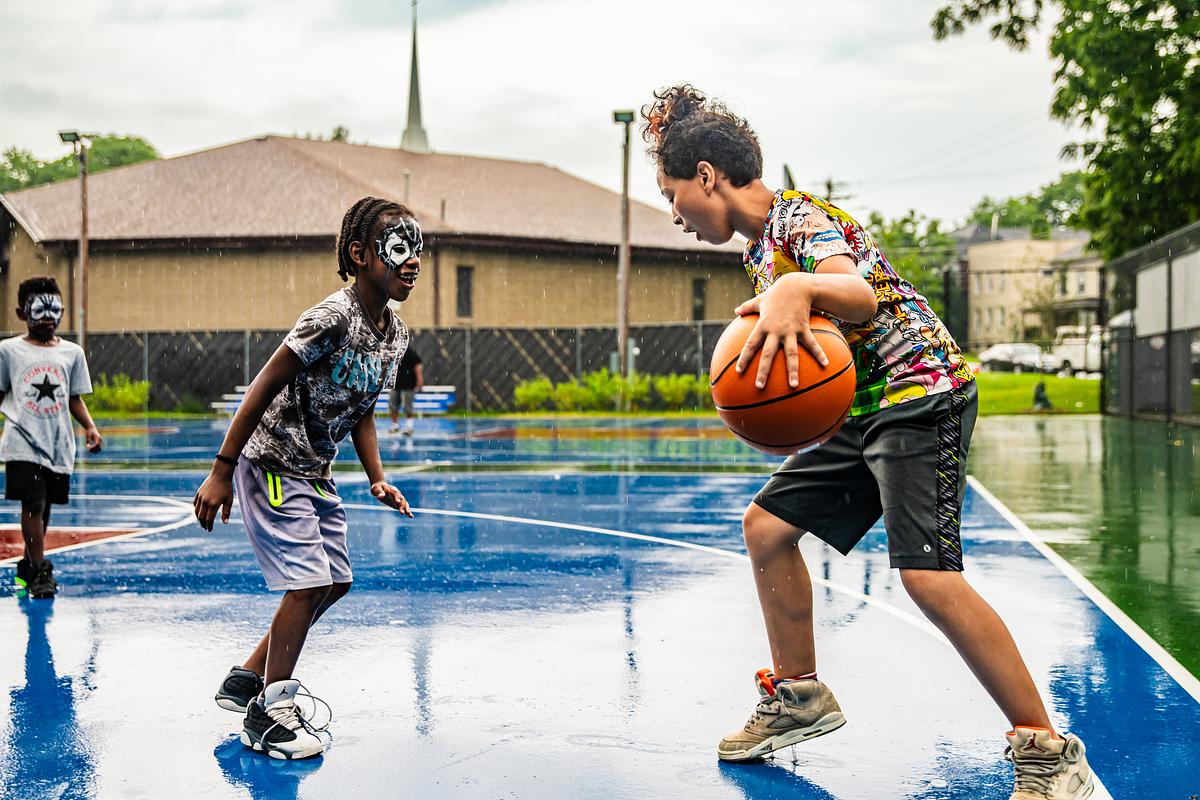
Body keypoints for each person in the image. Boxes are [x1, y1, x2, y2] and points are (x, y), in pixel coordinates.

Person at [642, 85, 1094, 800]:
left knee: (928, 577)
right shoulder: (762, 253)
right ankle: (800, 696)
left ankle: (1048, 750)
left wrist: (799, 292)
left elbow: (857, 295)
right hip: (864, 411)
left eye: (672, 193)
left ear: (706, 177)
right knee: (765, 527)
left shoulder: (800, 217)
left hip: (921, 395)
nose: (673, 213)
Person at [193, 196, 419, 760]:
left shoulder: (394, 334)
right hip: (270, 459)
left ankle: (247, 675)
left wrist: (376, 477)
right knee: (306, 577)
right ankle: (269, 711)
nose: (412, 261)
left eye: (419, 249)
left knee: (335, 579)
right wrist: (222, 469)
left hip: (314, 468)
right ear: (360, 254)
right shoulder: (331, 318)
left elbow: (363, 405)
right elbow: (263, 383)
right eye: (399, 248)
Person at [0, 276, 102, 599]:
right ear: (21, 313)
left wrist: (90, 426)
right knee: (33, 502)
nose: (48, 316)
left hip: (58, 445)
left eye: (54, 309)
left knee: (45, 510)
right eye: (39, 309)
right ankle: (42, 570)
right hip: (22, 441)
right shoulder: (8, 351)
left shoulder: (72, 354)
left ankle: (30, 565)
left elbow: (73, 397)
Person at [388, 344, 423, 435]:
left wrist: (419, 379)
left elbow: (417, 365)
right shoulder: (392, 350)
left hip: (408, 383)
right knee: (393, 404)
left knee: (408, 406)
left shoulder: (408, 350)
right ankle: (395, 425)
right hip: (395, 383)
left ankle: (409, 426)